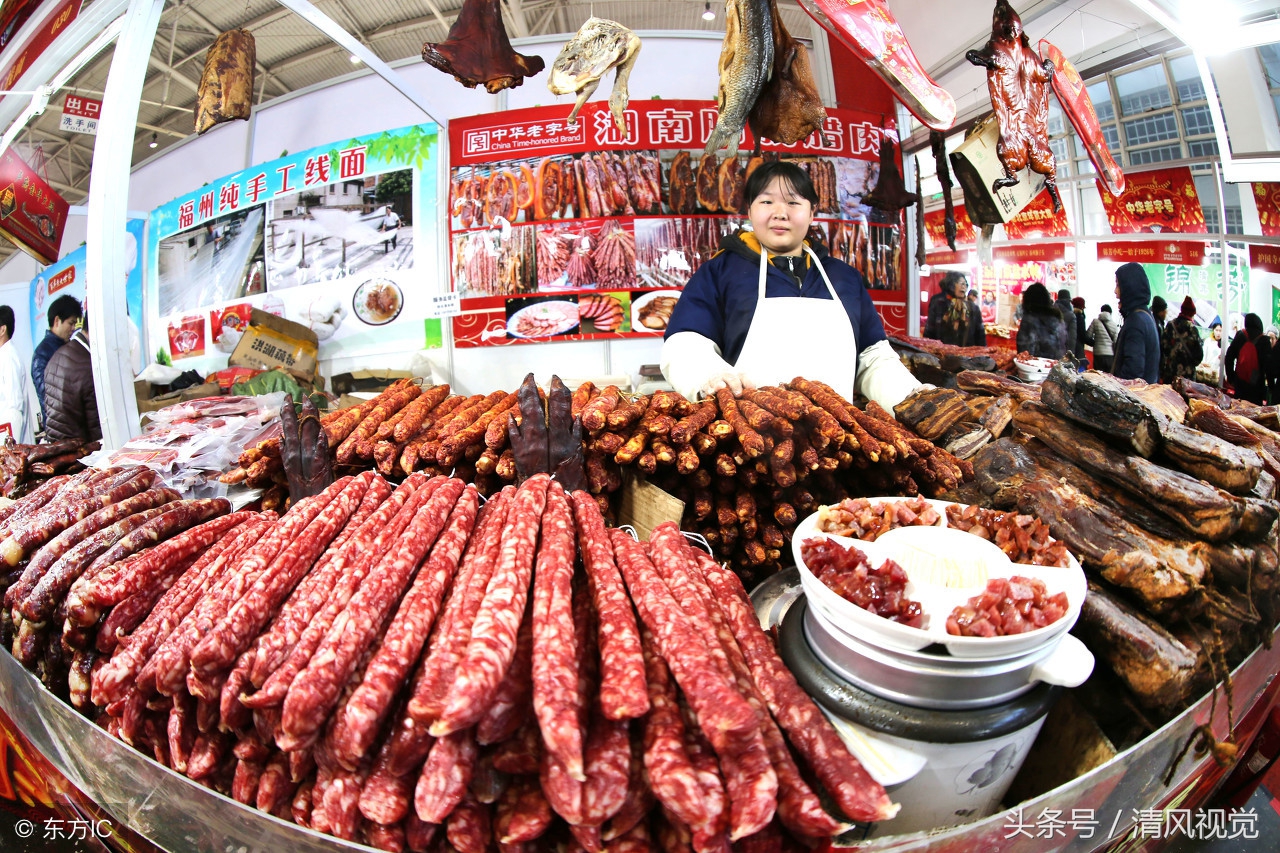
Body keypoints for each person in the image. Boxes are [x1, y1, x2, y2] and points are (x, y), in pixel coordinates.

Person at [661, 161, 921, 410]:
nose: (780, 213)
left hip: (837, 445)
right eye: (766, 201)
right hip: (747, 443)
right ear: (750, 211)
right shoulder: (720, 272)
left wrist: (912, 397)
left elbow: (872, 358)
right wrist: (710, 375)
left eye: (793, 202)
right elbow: (686, 343)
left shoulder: (844, 278)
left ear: (811, 213)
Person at [42, 307, 100, 443]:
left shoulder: (57, 355)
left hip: (59, 449)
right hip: (81, 452)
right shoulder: (87, 365)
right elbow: (97, 429)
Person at [31, 294, 82, 423]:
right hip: (59, 428)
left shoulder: (71, 347)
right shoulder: (42, 354)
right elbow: (48, 396)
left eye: (75, 324)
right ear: (57, 321)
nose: (73, 328)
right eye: (71, 323)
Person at [1112, 263, 1161, 383]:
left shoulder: (1136, 321)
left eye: (1118, 285)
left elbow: (1132, 372)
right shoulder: (1146, 316)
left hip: (1135, 397)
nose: (1115, 291)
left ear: (1130, 287)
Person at [1225, 313, 1270, 404]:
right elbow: (1268, 367)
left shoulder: (1240, 336)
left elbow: (1229, 357)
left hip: (1240, 384)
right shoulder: (1264, 341)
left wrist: (1231, 378)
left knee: (1237, 410)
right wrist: (1270, 386)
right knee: (1254, 413)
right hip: (1256, 386)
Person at [1015, 282, 1068, 359]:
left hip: (1036, 368)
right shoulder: (1057, 317)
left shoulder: (1029, 319)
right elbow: (1063, 345)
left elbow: (1025, 353)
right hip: (1055, 365)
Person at [0, 306, 28, 443]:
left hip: (9, 436)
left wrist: (10, 450)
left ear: (2, 330)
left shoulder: (9, 357)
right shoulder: (3, 355)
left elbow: (14, 407)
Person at [923, 272, 973, 346]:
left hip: (962, 351)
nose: (964, 287)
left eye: (966, 284)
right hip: (940, 348)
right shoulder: (938, 301)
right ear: (951, 285)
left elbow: (975, 333)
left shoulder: (968, 306)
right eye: (961, 284)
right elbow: (930, 328)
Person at [1161, 296, 1203, 384]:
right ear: (1192, 313)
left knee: (1169, 396)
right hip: (1186, 376)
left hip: (1170, 372)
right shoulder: (1192, 329)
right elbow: (1199, 354)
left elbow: (1163, 347)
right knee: (1183, 397)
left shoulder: (1170, 325)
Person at [1088, 303, 1120, 373]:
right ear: (1110, 313)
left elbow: (1088, 336)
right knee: (1108, 378)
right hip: (1110, 355)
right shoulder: (1114, 325)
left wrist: (1095, 343)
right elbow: (1116, 341)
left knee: (1098, 377)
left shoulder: (1095, 321)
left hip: (1098, 354)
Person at [1055, 288, 1077, 357]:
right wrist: (1070, 354)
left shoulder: (1051, 311)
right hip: (1064, 352)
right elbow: (1072, 338)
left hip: (1050, 351)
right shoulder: (1071, 315)